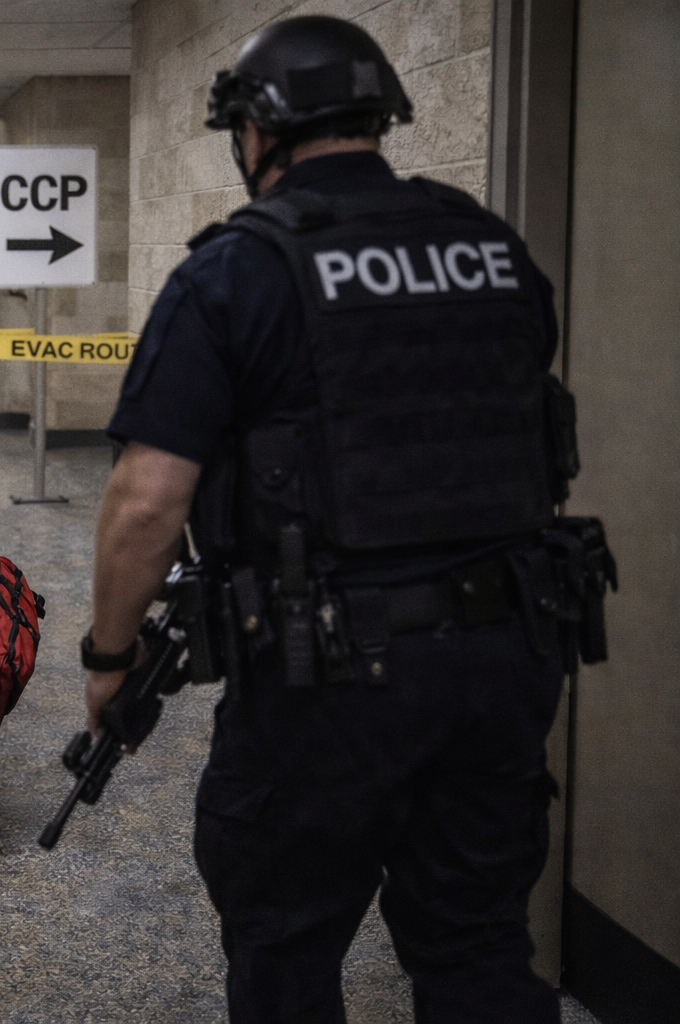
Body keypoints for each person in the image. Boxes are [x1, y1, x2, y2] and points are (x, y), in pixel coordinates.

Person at [85, 16, 591, 1023]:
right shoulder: (490, 247)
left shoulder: (237, 269)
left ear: (257, 132)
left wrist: (110, 656)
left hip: (328, 673)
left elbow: (146, 503)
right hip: (509, 649)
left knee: (285, 940)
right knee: (478, 938)